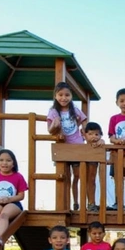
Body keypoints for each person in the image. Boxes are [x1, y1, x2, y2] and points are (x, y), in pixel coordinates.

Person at [47, 81, 88, 211]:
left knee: (78, 176)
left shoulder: (74, 110)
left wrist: (85, 131)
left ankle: (77, 202)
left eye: (67, 95)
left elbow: (84, 120)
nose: (64, 98)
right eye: (60, 95)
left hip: (76, 145)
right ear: (55, 96)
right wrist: (55, 124)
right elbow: (50, 130)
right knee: (65, 177)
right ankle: (65, 203)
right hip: (63, 147)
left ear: (71, 96)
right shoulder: (53, 112)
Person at [83, 122, 105, 212]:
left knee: (92, 181)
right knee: (85, 181)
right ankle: (87, 203)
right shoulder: (82, 146)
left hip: (93, 162)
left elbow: (102, 143)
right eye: (90, 134)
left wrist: (102, 141)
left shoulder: (99, 145)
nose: (94, 137)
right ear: (85, 135)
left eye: (97, 134)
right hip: (84, 163)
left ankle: (91, 203)